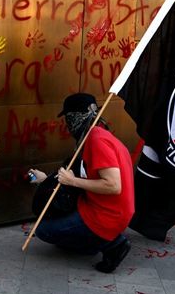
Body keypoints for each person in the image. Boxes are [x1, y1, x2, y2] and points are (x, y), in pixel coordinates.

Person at [28, 93, 134, 273]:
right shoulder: (95, 134)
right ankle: (95, 240)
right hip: (101, 206)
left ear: (76, 117)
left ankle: (111, 244)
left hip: (107, 213)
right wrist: (46, 180)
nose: (67, 125)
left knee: (42, 230)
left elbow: (113, 185)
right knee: (55, 215)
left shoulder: (97, 140)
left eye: (68, 119)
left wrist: (73, 181)